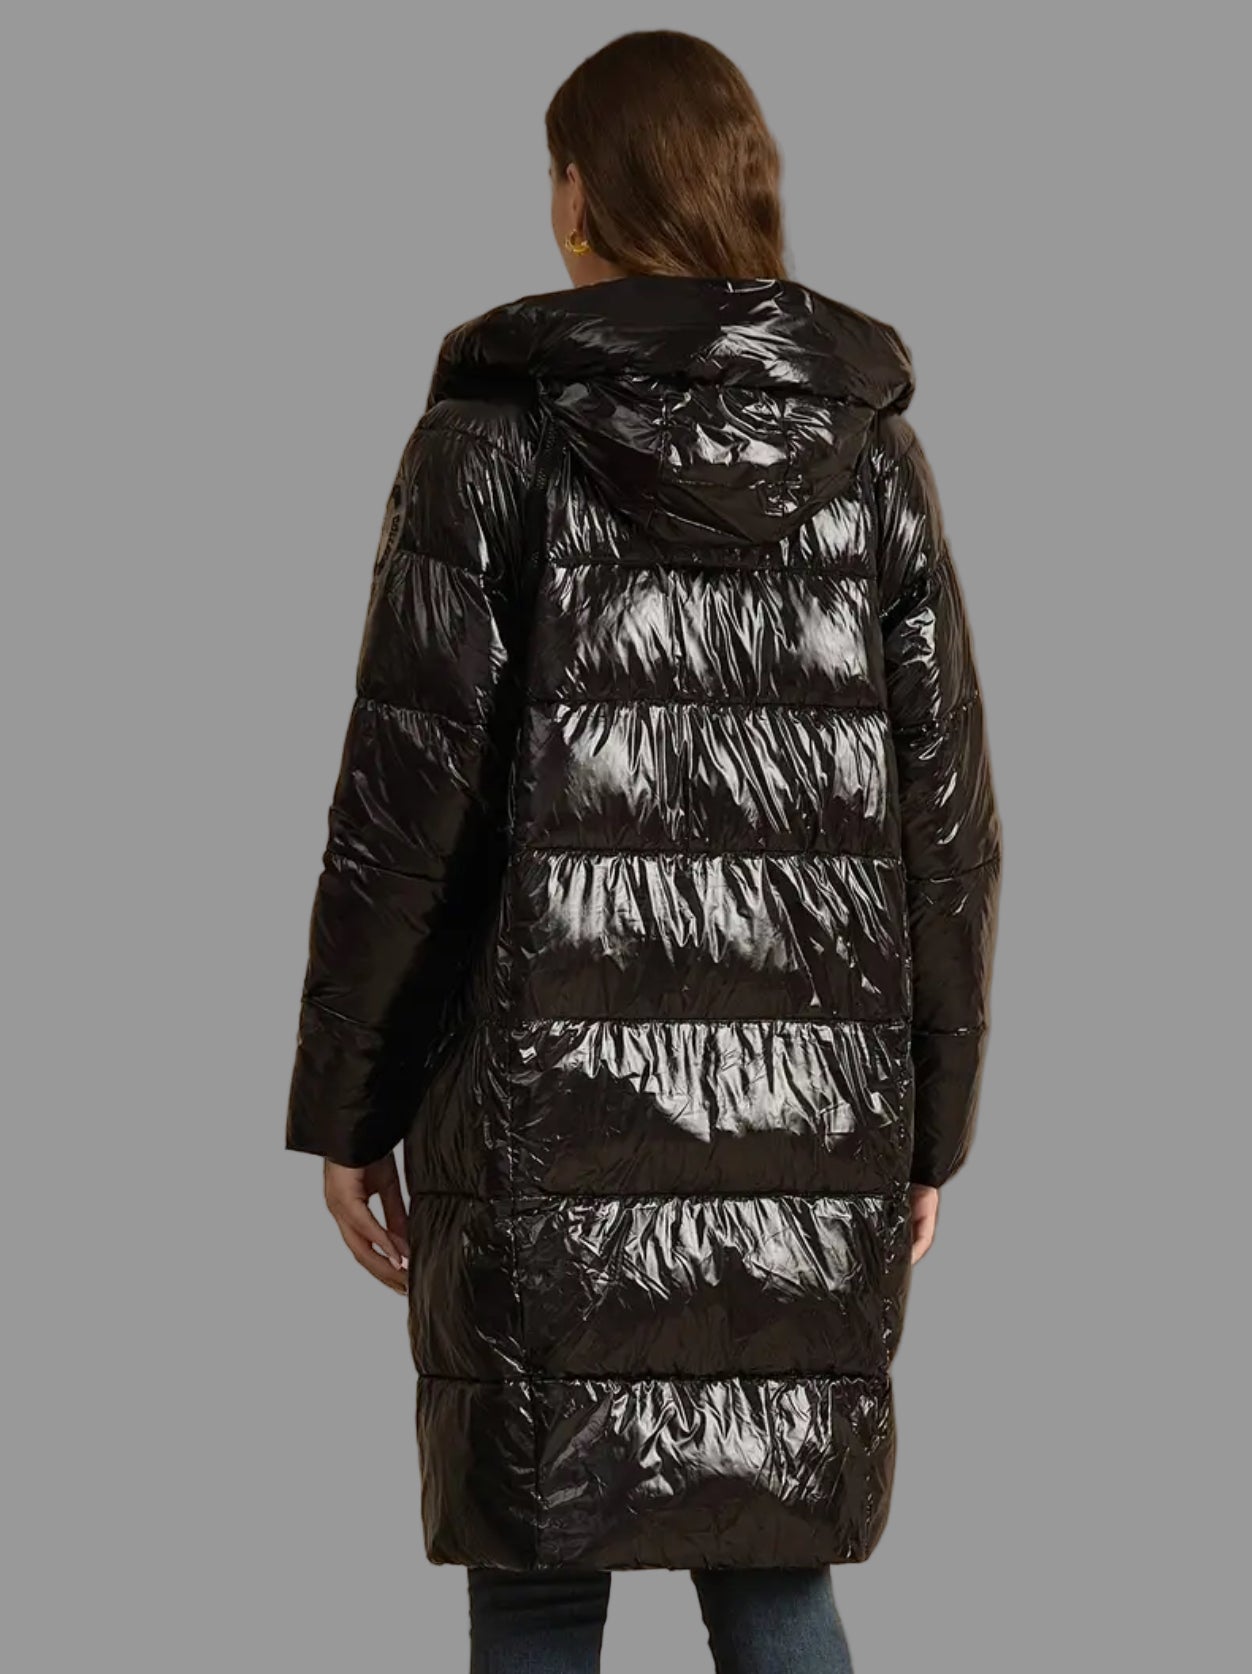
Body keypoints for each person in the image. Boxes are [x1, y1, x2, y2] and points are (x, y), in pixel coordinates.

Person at [285, 28, 1002, 1674]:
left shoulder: (492, 444)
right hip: (814, 1121)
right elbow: (949, 828)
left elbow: (401, 812)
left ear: (583, 196)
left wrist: (351, 1106)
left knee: (542, 1569)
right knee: (774, 1574)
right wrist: (930, 1125)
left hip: (541, 1123)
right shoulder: (871, 461)